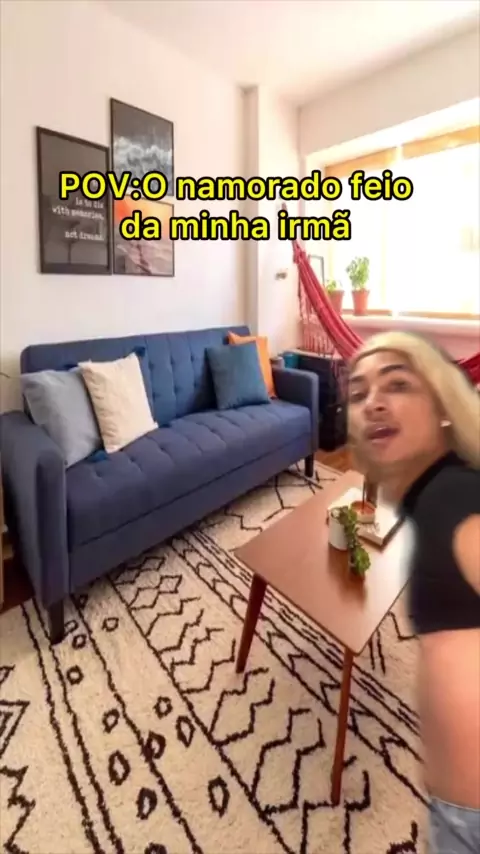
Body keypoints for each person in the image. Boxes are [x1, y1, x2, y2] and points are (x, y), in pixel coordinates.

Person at [346, 330, 480, 854]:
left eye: (397, 384)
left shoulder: (455, 500)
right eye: (359, 394)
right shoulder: (432, 494)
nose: (373, 403)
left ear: (443, 406)